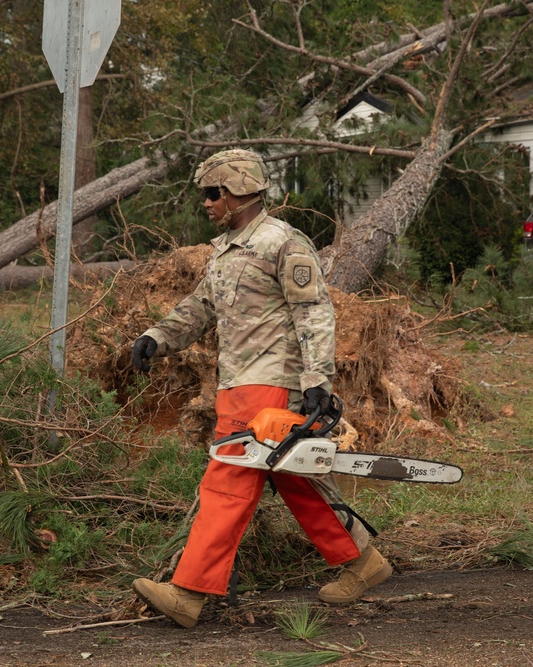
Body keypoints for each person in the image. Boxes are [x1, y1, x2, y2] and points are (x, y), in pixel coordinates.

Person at [129, 149, 391, 628]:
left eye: (214, 193)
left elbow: (314, 312)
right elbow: (200, 305)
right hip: (238, 382)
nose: (206, 203)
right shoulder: (225, 251)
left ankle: (188, 592)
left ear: (240, 193)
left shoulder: (282, 243)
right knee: (297, 478)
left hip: (270, 385)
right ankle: (362, 560)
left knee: (226, 482)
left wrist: (316, 380)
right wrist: (157, 337)